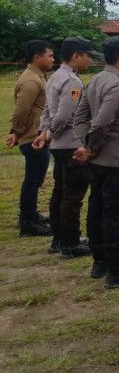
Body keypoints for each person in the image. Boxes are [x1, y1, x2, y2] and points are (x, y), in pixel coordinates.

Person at [73, 35, 119, 288]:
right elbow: (102, 121)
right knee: (117, 215)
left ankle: (100, 261)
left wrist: (88, 146)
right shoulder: (118, 86)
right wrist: (91, 146)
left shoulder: (94, 81)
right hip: (117, 159)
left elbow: (80, 118)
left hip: (99, 160)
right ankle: (116, 270)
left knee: (97, 208)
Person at [32, 37, 98, 256]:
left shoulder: (54, 78)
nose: (89, 60)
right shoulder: (72, 82)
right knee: (73, 194)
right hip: (71, 144)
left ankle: (59, 238)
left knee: (60, 191)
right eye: (88, 56)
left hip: (59, 145)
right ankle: (70, 241)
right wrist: (50, 133)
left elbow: (47, 112)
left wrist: (44, 131)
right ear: (76, 56)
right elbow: (64, 114)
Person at [6, 40, 55, 237]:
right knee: (33, 180)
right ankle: (27, 222)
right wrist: (16, 133)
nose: (53, 59)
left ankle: (31, 214)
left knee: (35, 179)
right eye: (49, 55)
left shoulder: (38, 77)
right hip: (33, 137)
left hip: (37, 135)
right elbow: (21, 111)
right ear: (37, 57)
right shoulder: (30, 81)